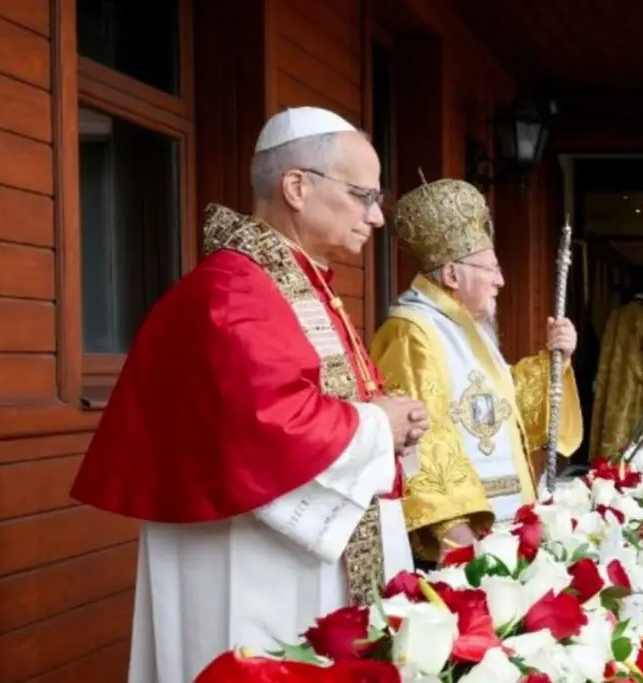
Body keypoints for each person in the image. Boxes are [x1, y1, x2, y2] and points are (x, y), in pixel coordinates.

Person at [69, 107, 428, 683]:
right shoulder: (233, 290)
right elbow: (270, 422)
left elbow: (330, 398)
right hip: (255, 565)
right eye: (363, 195)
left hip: (298, 557)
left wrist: (395, 423)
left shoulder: (300, 282)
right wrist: (378, 426)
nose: (377, 216)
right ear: (296, 187)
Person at [369, 178, 583, 564]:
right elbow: (420, 443)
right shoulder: (412, 332)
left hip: (499, 532)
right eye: (492, 269)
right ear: (453, 274)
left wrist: (553, 362)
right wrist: (458, 544)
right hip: (462, 547)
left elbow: (499, 409)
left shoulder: (465, 327)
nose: (501, 281)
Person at [588, 267, 643, 460]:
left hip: (610, 378)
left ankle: (605, 463)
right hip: (636, 379)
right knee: (633, 428)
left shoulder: (614, 315)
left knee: (611, 424)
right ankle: (627, 465)